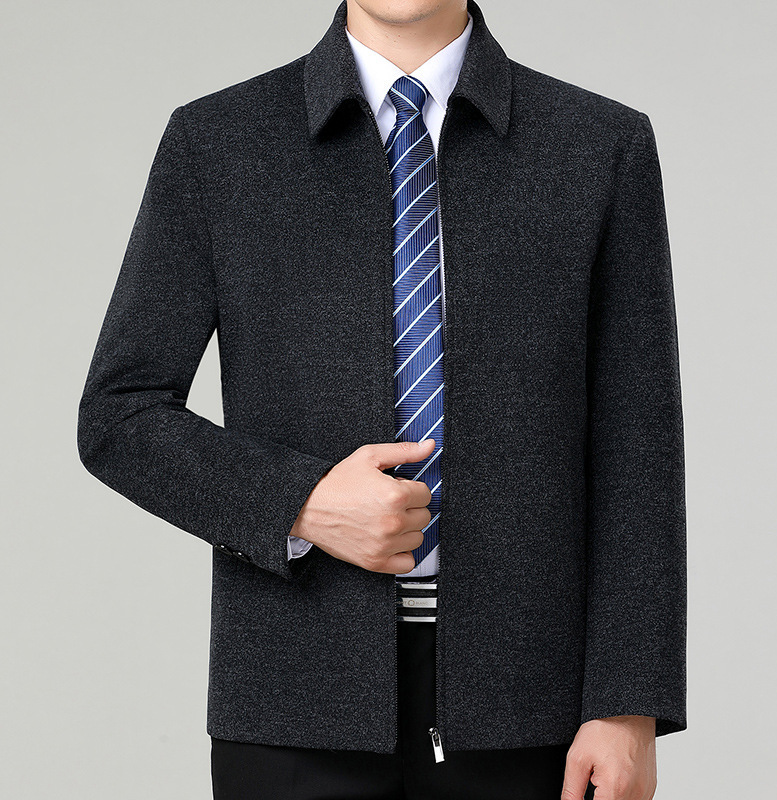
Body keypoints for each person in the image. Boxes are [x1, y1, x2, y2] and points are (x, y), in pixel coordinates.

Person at [77, 1, 686, 798]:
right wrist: (301, 502)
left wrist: (628, 703)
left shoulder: (598, 145)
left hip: (534, 707)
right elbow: (119, 413)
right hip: (294, 704)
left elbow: (639, 447)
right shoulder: (217, 143)